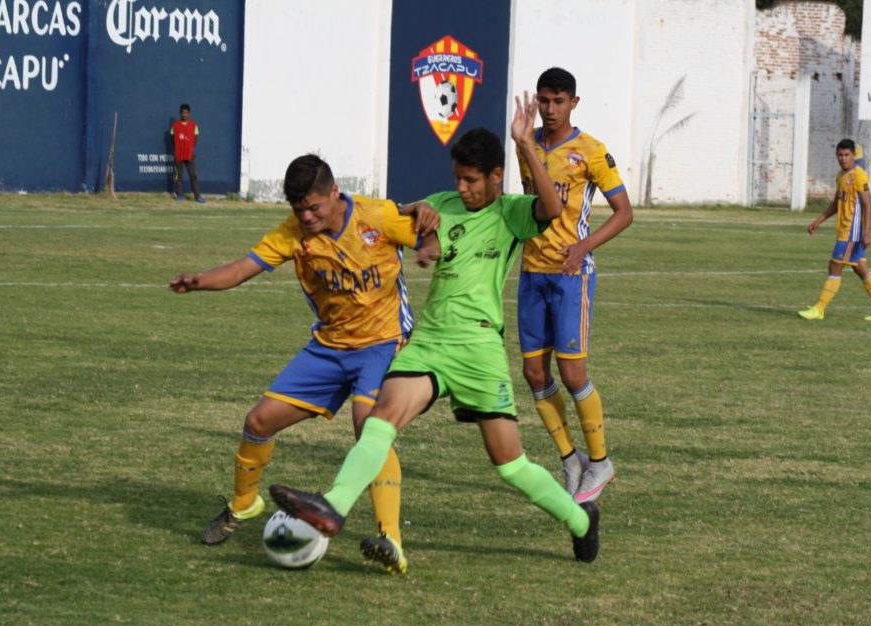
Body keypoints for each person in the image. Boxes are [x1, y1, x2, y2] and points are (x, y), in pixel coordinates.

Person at [269, 94, 602, 564]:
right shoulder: (444, 203)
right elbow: (406, 217)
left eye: (471, 180)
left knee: (511, 464)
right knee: (381, 420)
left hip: (480, 347)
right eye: (457, 179)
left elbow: (552, 209)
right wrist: (422, 231)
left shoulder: (509, 213)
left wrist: (526, 143)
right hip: (430, 342)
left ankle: (581, 521)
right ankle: (334, 506)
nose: (462, 189)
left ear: (495, 177)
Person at [169, 154, 439, 574]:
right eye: (299, 210)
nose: (307, 217)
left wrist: (427, 224)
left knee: (369, 429)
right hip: (329, 347)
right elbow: (242, 269)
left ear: (335, 192)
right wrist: (198, 281)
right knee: (258, 421)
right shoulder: (292, 234)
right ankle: (244, 504)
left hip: (383, 343)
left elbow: (429, 231)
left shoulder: (377, 216)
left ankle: (391, 540)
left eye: (315, 207)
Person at [514, 67, 633, 503]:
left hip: (570, 277)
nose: (549, 109)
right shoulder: (526, 142)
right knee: (533, 373)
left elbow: (624, 212)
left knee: (572, 372)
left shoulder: (591, 151)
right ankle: (570, 460)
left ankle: (600, 462)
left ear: (574, 104)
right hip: (532, 273)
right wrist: (520, 140)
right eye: (544, 100)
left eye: (558, 101)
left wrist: (583, 247)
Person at [798, 138, 871, 322]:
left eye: (847, 155)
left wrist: (866, 233)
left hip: (852, 232)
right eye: (840, 155)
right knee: (861, 269)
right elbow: (836, 202)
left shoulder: (859, 175)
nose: (843, 158)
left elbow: (867, 205)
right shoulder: (840, 175)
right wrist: (819, 220)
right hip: (845, 230)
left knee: (834, 266)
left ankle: (819, 309)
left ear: (853, 155)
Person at [171, 103, 204, 203]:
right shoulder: (175, 125)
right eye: (183, 112)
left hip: (189, 155)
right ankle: (179, 195)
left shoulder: (194, 125)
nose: (184, 114)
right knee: (178, 177)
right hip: (178, 155)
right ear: (180, 113)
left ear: (189, 113)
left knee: (193, 176)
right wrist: (179, 148)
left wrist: (188, 148)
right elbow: (173, 139)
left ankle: (197, 196)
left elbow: (195, 139)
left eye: (186, 113)